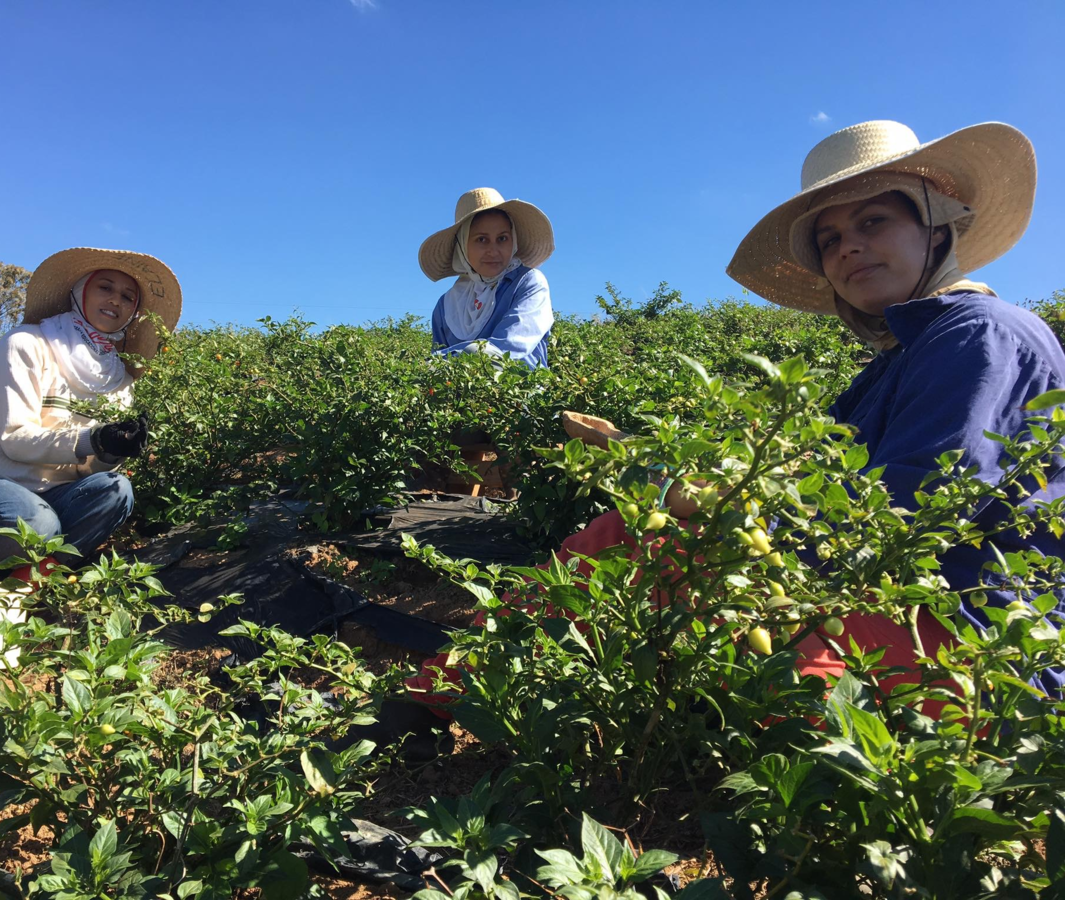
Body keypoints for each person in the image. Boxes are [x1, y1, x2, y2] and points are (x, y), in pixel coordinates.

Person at [405, 119, 1065, 722]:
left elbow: (904, 518)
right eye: (832, 238)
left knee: (715, 630)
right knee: (623, 540)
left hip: (965, 641)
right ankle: (446, 690)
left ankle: (451, 694)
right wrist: (654, 464)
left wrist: (714, 511)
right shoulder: (893, 365)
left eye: (873, 222)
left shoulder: (979, 335)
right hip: (887, 607)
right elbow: (801, 485)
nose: (849, 249)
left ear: (937, 224)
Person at [0, 247, 182, 626]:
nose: (115, 301)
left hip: (56, 496)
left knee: (116, 490)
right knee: (34, 524)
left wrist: (112, 450)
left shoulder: (119, 379)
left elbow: (93, 468)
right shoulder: (27, 344)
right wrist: (95, 438)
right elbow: (15, 438)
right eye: (105, 287)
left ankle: (22, 588)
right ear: (79, 291)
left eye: (128, 297)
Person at [421, 188, 555, 369]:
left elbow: (505, 351)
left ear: (513, 240)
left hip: (521, 395)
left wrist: (438, 362)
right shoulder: (446, 306)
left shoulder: (528, 283)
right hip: (461, 398)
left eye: (502, 238)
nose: (493, 251)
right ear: (462, 246)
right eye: (482, 240)